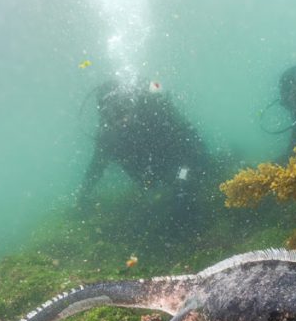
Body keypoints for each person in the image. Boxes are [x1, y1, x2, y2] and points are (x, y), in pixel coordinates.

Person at [79, 78, 217, 219]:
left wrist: (182, 182)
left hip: (182, 166)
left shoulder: (155, 110)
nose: (121, 120)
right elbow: (95, 169)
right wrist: (82, 196)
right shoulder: (108, 137)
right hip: (152, 177)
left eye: (123, 108)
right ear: (104, 115)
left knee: (190, 183)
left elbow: (195, 146)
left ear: (132, 102)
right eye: (111, 114)